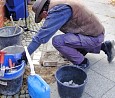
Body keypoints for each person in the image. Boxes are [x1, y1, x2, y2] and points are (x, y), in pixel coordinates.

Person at [21, 0, 115, 69]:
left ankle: (82, 62)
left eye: (43, 18)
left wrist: (26, 55)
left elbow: (41, 37)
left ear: (45, 12)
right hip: (94, 33)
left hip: (94, 37)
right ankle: (105, 46)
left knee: (57, 41)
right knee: (65, 51)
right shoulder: (58, 3)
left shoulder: (59, 10)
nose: (46, 20)